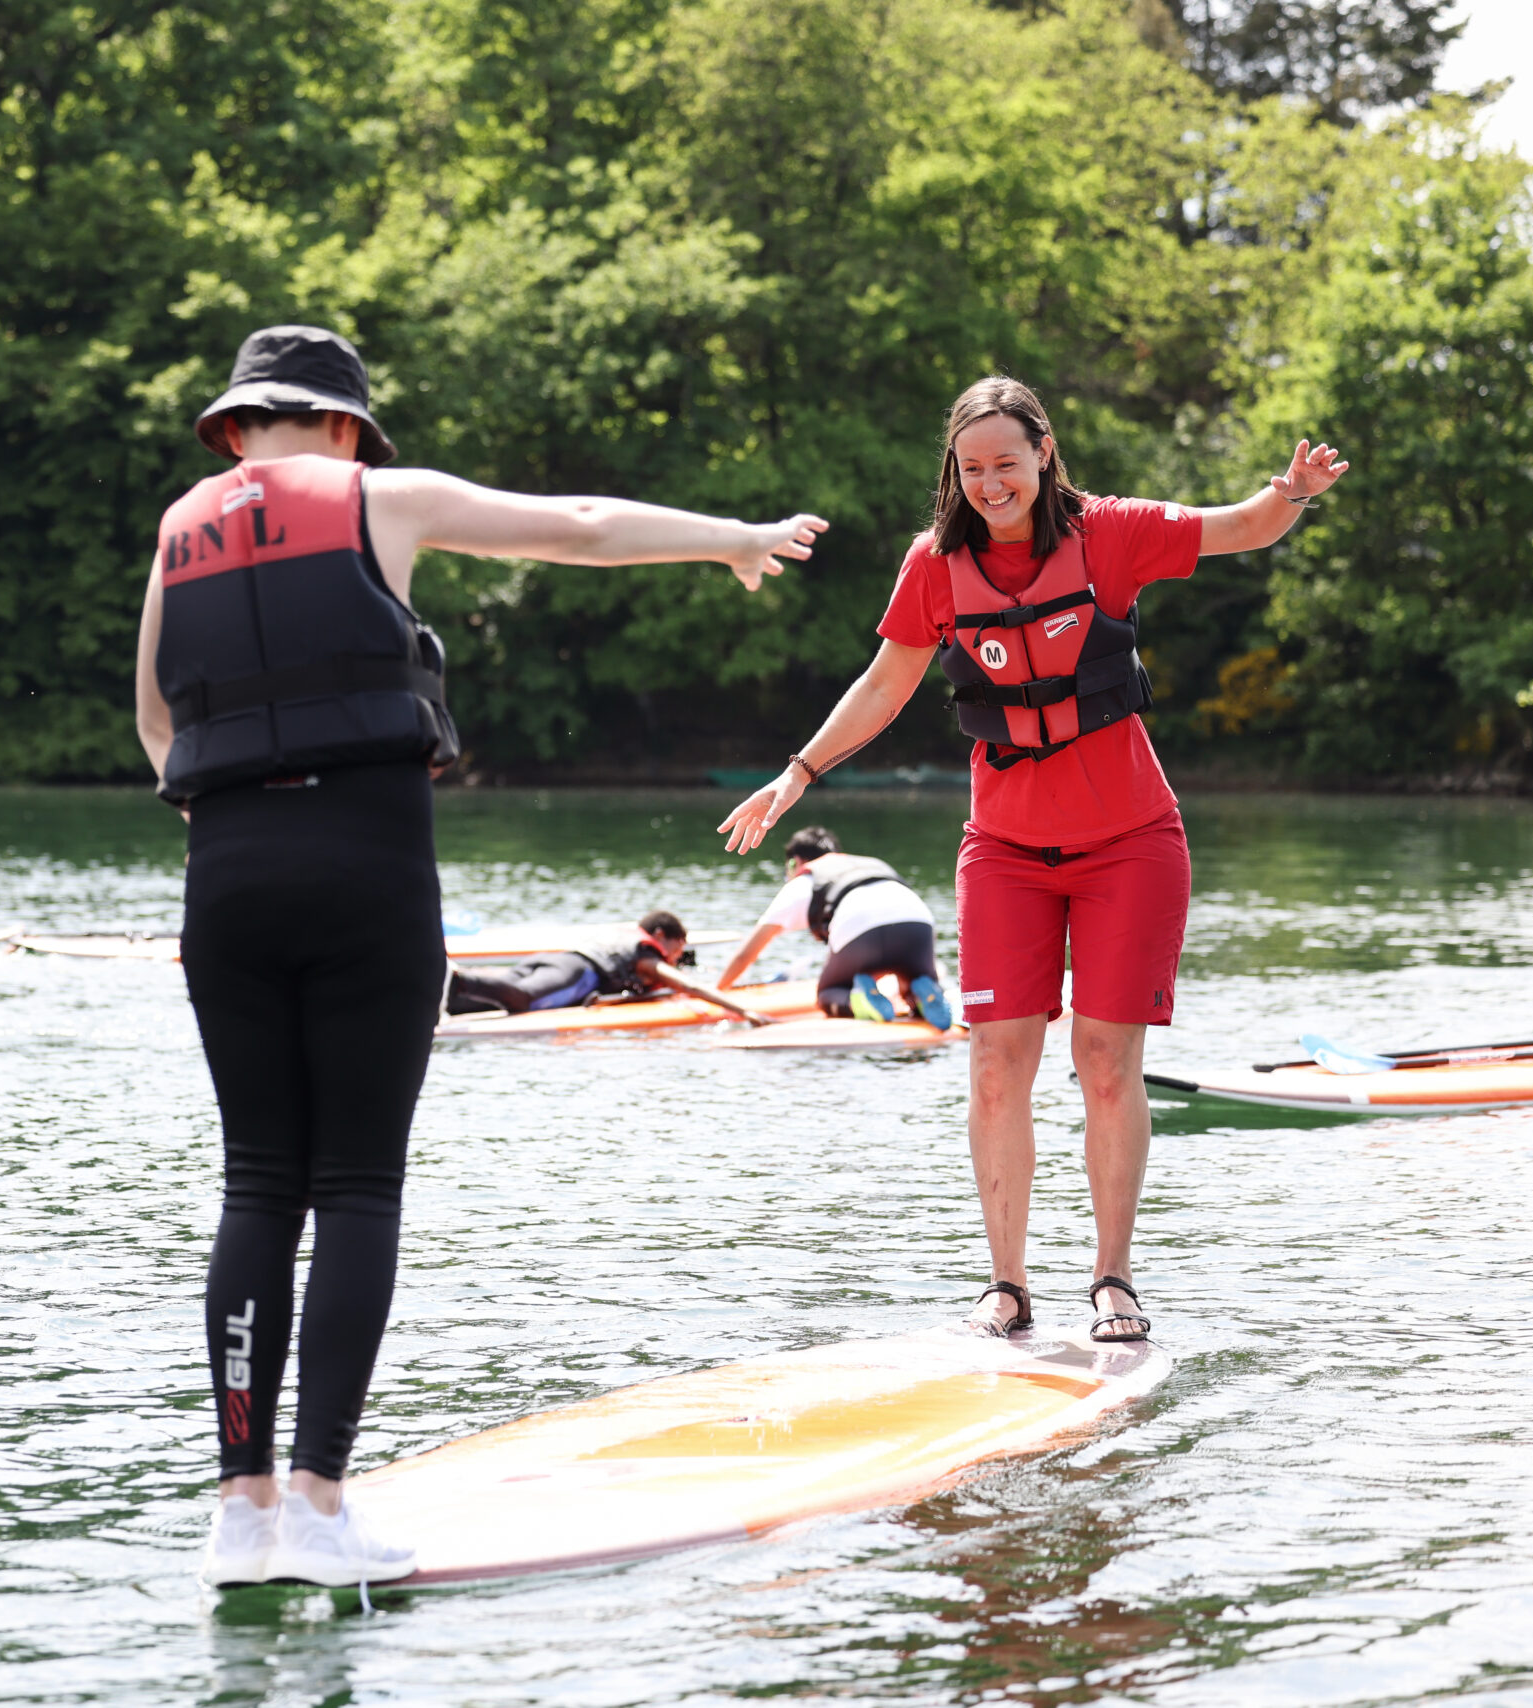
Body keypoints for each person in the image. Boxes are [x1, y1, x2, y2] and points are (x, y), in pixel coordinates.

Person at [136, 324, 825, 1588]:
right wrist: (729, 539)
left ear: (236, 427)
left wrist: (239, 827)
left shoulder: (178, 532)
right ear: (344, 426)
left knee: (254, 1184)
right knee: (351, 1184)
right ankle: (323, 1506)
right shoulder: (380, 498)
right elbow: (573, 522)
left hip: (225, 886)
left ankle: (240, 1518)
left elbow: (155, 720)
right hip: (364, 872)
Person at [720, 375, 1348, 1345]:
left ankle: (1112, 1278)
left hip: (1130, 843)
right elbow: (885, 683)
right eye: (971, 469)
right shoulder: (933, 564)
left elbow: (1241, 527)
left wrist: (1292, 490)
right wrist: (796, 774)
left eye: (1005, 463)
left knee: (1104, 1065)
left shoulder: (1113, 534)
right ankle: (1006, 1285)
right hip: (1005, 850)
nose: (989, 483)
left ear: (1044, 451)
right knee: (996, 1065)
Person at [718, 826, 953, 1027]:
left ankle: (857, 1000)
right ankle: (920, 994)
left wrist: (720, 990)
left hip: (862, 928)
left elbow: (748, 952)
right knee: (913, 975)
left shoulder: (803, 881)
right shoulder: (869, 863)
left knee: (828, 994)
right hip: (919, 922)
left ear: (795, 862)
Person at [444, 911, 748, 1017]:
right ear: (660, 936)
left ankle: (443, 996)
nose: (676, 958)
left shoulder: (624, 937)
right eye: (677, 948)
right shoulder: (646, 957)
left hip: (555, 962)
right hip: (576, 973)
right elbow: (689, 985)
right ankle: (454, 978)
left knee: (485, 1005)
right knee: (521, 1000)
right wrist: (743, 1010)